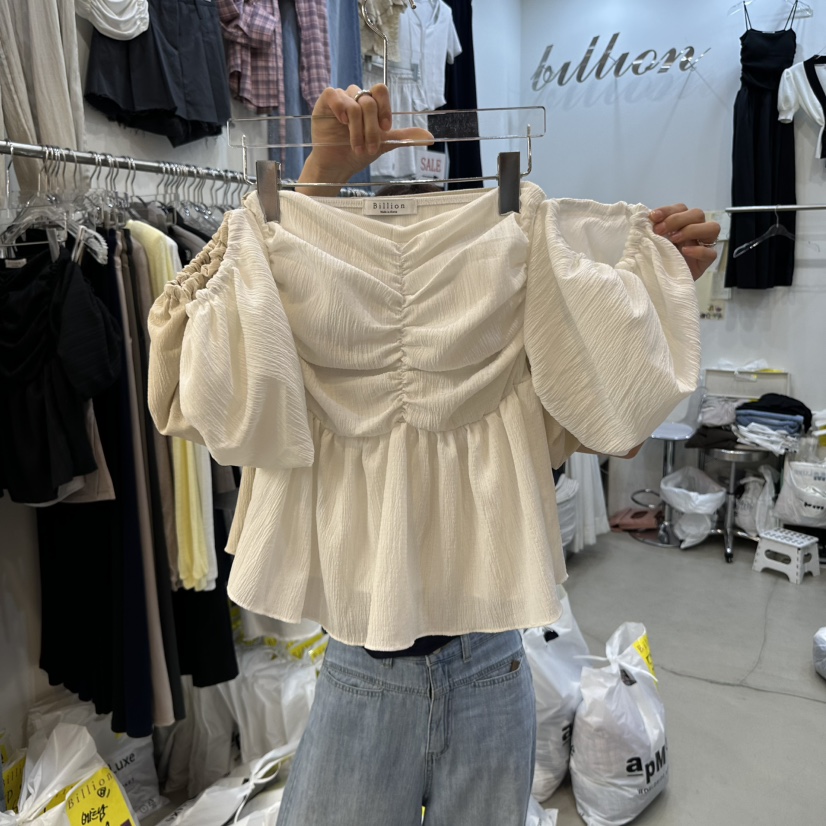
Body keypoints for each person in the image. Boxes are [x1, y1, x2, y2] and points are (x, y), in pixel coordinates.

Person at [269, 84, 720, 825]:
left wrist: (648, 293)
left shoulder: (527, 301)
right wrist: (319, 174)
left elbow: (619, 427)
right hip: (367, 673)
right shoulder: (297, 323)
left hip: (488, 665)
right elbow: (261, 313)